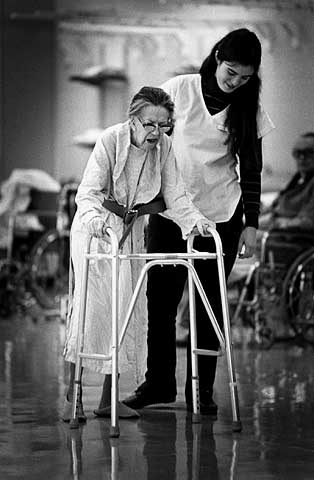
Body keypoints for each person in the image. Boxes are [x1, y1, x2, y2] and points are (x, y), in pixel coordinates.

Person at [123, 28, 274, 415]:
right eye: (231, 72)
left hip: (220, 217)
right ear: (217, 56)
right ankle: (158, 384)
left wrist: (251, 224)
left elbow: (251, 170)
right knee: (160, 301)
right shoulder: (178, 90)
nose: (236, 82)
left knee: (209, 308)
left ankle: (201, 391)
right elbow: (145, 142)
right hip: (171, 212)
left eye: (245, 77)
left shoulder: (248, 108)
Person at [61, 86, 215, 422]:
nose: (157, 133)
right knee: (90, 311)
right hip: (94, 232)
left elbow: (175, 196)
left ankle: (108, 400)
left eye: (164, 126)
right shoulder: (111, 140)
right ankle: (72, 397)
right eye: (150, 125)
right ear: (133, 120)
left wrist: (197, 223)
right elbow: (87, 193)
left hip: (128, 234)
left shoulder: (164, 147)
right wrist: (98, 223)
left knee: (122, 313)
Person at [258, 131, 314, 264]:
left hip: (292, 240)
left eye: (308, 153)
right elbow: (276, 205)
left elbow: (307, 222)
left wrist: (277, 222)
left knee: (241, 241)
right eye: (297, 153)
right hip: (275, 232)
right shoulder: (297, 180)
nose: (301, 158)